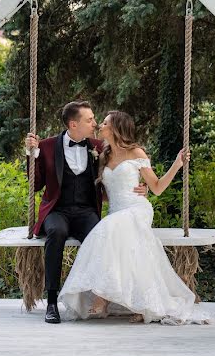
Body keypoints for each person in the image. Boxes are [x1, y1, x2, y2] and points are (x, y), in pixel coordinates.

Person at [58, 110, 215, 325]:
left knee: (109, 229)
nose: (100, 125)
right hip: (116, 213)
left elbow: (157, 188)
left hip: (137, 209)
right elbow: (101, 192)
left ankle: (102, 298)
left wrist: (177, 164)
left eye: (104, 123)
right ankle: (138, 303)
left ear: (116, 128)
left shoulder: (136, 153)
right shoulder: (102, 156)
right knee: (119, 240)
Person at [24, 101, 147, 324]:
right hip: (57, 210)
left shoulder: (99, 147)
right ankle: (52, 302)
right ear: (73, 124)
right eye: (89, 120)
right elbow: (35, 185)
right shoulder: (48, 146)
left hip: (86, 211)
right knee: (57, 233)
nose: (95, 123)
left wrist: (142, 187)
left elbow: (122, 171)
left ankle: (101, 296)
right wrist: (31, 153)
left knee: (102, 236)